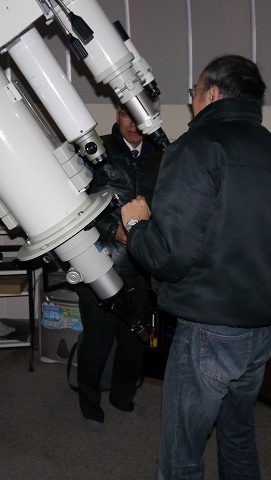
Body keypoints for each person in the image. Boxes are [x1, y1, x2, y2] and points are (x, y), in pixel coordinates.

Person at [121, 55, 271, 479]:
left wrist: (136, 225)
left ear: (211, 93)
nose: (191, 101)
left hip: (212, 329)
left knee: (182, 452)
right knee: (238, 434)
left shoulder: (195, 149)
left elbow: (168, 258)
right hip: (265, 328)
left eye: (194, 92)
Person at [76, 104, 163, 436]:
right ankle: (90, 407)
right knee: (97, 342)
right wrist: (116, 231)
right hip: (101, 262)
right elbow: (79, 203)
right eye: (127, 115)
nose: (134, 124)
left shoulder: (161, 155)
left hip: (142, 265)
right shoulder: (97, 151)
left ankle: (123, 398)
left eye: (139, 117)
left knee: (133, 342)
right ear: (117, 114)